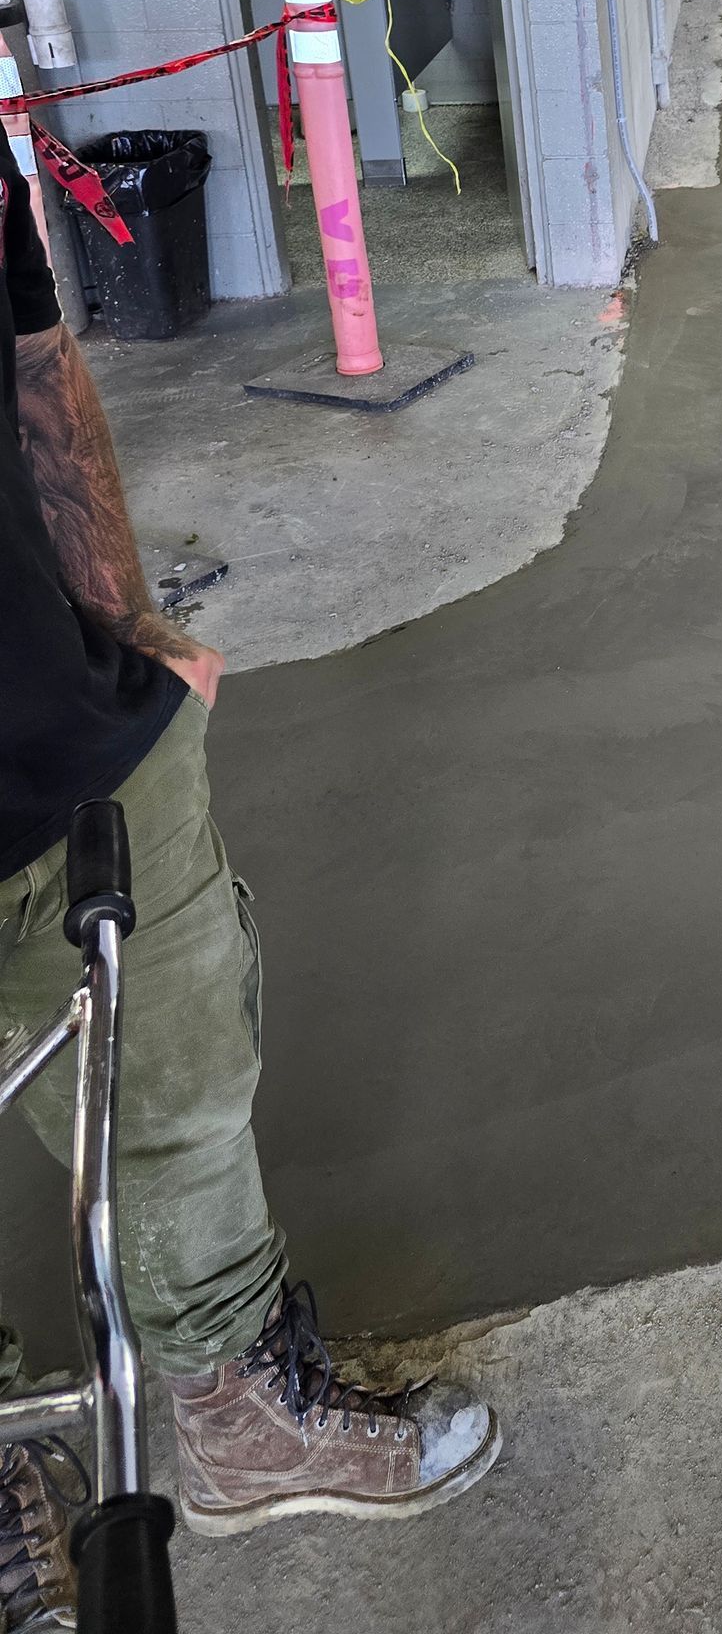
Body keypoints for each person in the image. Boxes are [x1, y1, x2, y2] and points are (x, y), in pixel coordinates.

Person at [0, 152, 498, 1624]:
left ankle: (234, 1415)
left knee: (178, 1080)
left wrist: (128, 626)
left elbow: (30, 352)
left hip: (49, 741)